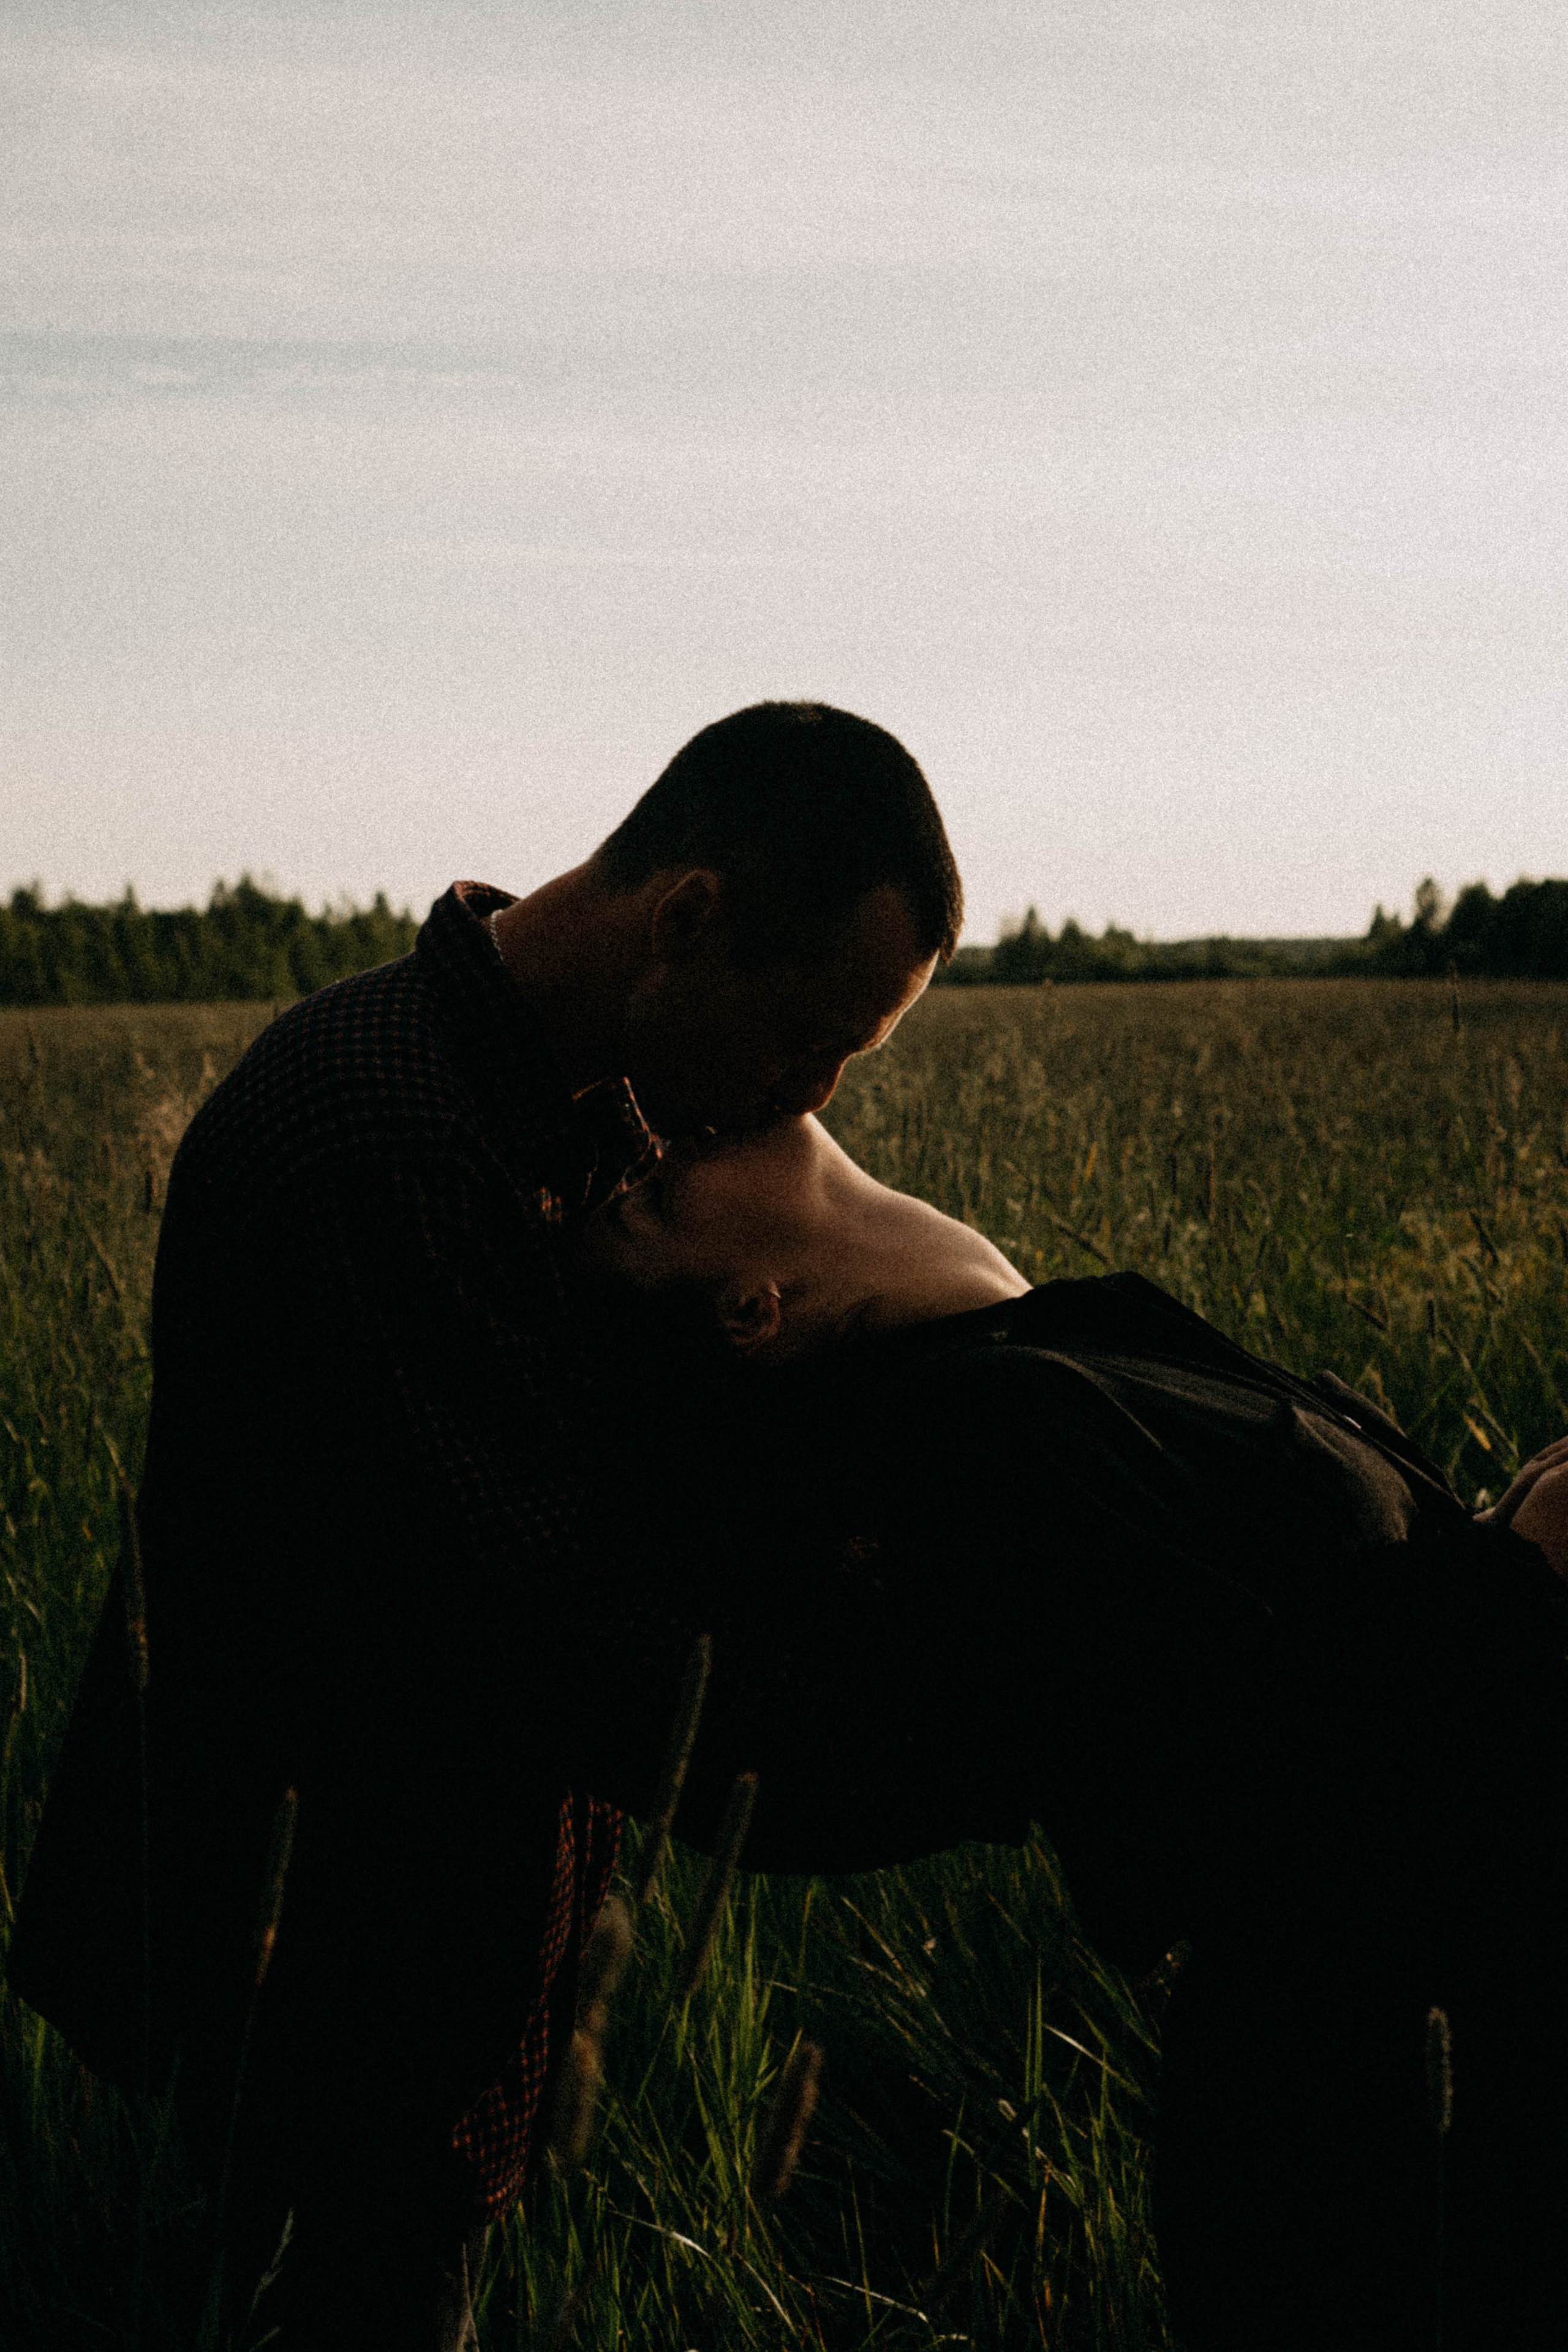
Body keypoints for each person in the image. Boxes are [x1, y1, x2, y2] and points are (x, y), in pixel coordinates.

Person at [6, 703, 963, 2350]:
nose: (811, 1100)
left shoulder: (575, 1114)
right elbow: (545, 1626)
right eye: (814, 1041)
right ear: (687, 919)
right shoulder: (379, 1134)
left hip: (431, 1975)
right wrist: (935, 1746)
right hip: (329, 1990)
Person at [583, 1113, 1568, 2352]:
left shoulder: (1046, 1347)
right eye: (648, 1192)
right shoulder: (977, 1430)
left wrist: (1493, 1533)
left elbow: (1301, 1652)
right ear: (750, 1310)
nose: (664, 1127)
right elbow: (1263, 1799)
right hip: (1401, 2142)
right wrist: (1521, 1577)